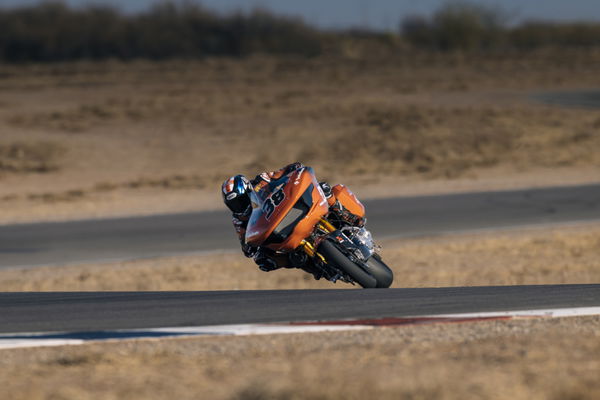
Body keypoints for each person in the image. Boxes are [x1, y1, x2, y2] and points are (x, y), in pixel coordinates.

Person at [221, 162, 363, 278]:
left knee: (324, 187)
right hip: (279, 231)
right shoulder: (238, 219)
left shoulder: (262, 181)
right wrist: (250, 247)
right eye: (233, 205)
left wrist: (294, 170)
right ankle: (314, 266)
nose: (239, 207)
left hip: (291, 208)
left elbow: (290, 169)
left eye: (241, 201)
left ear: (248, 190)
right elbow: (247, 247)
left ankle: (344, 213)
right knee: (263, 260)